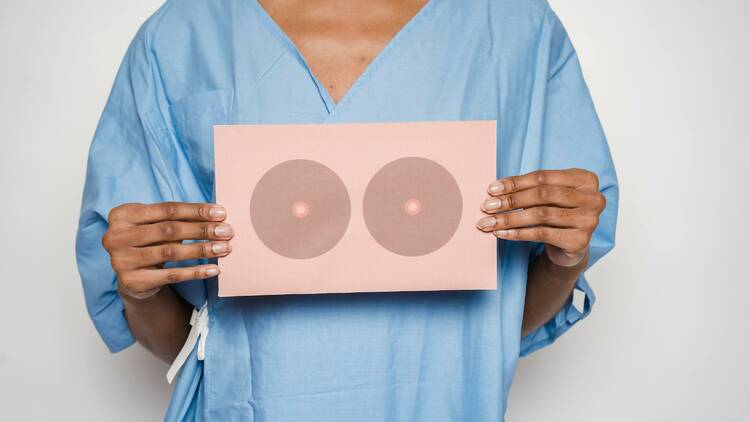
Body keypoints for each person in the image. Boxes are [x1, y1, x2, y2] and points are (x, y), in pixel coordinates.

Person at [76, 0, 618, 420]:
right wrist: (139, 291)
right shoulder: (185, 34)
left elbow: (496, 328)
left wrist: (563, 260)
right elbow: (195, 348)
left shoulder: (515, 28)